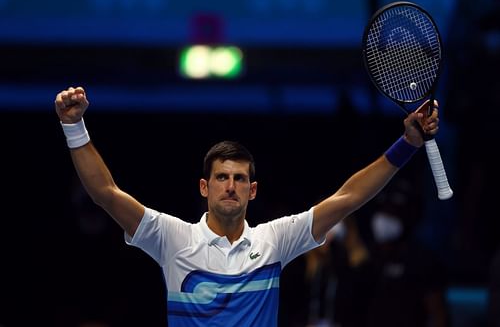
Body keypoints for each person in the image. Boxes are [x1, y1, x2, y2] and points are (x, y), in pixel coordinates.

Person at [54, 86, 440, 326]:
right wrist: (74, 126)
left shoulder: (274, 241)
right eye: (222, 178)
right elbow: (104, 192)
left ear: (252, 191)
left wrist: (406, 145)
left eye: (240, 179)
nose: (231, 186)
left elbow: (349, 198)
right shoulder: (172, 238)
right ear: (205, 187)